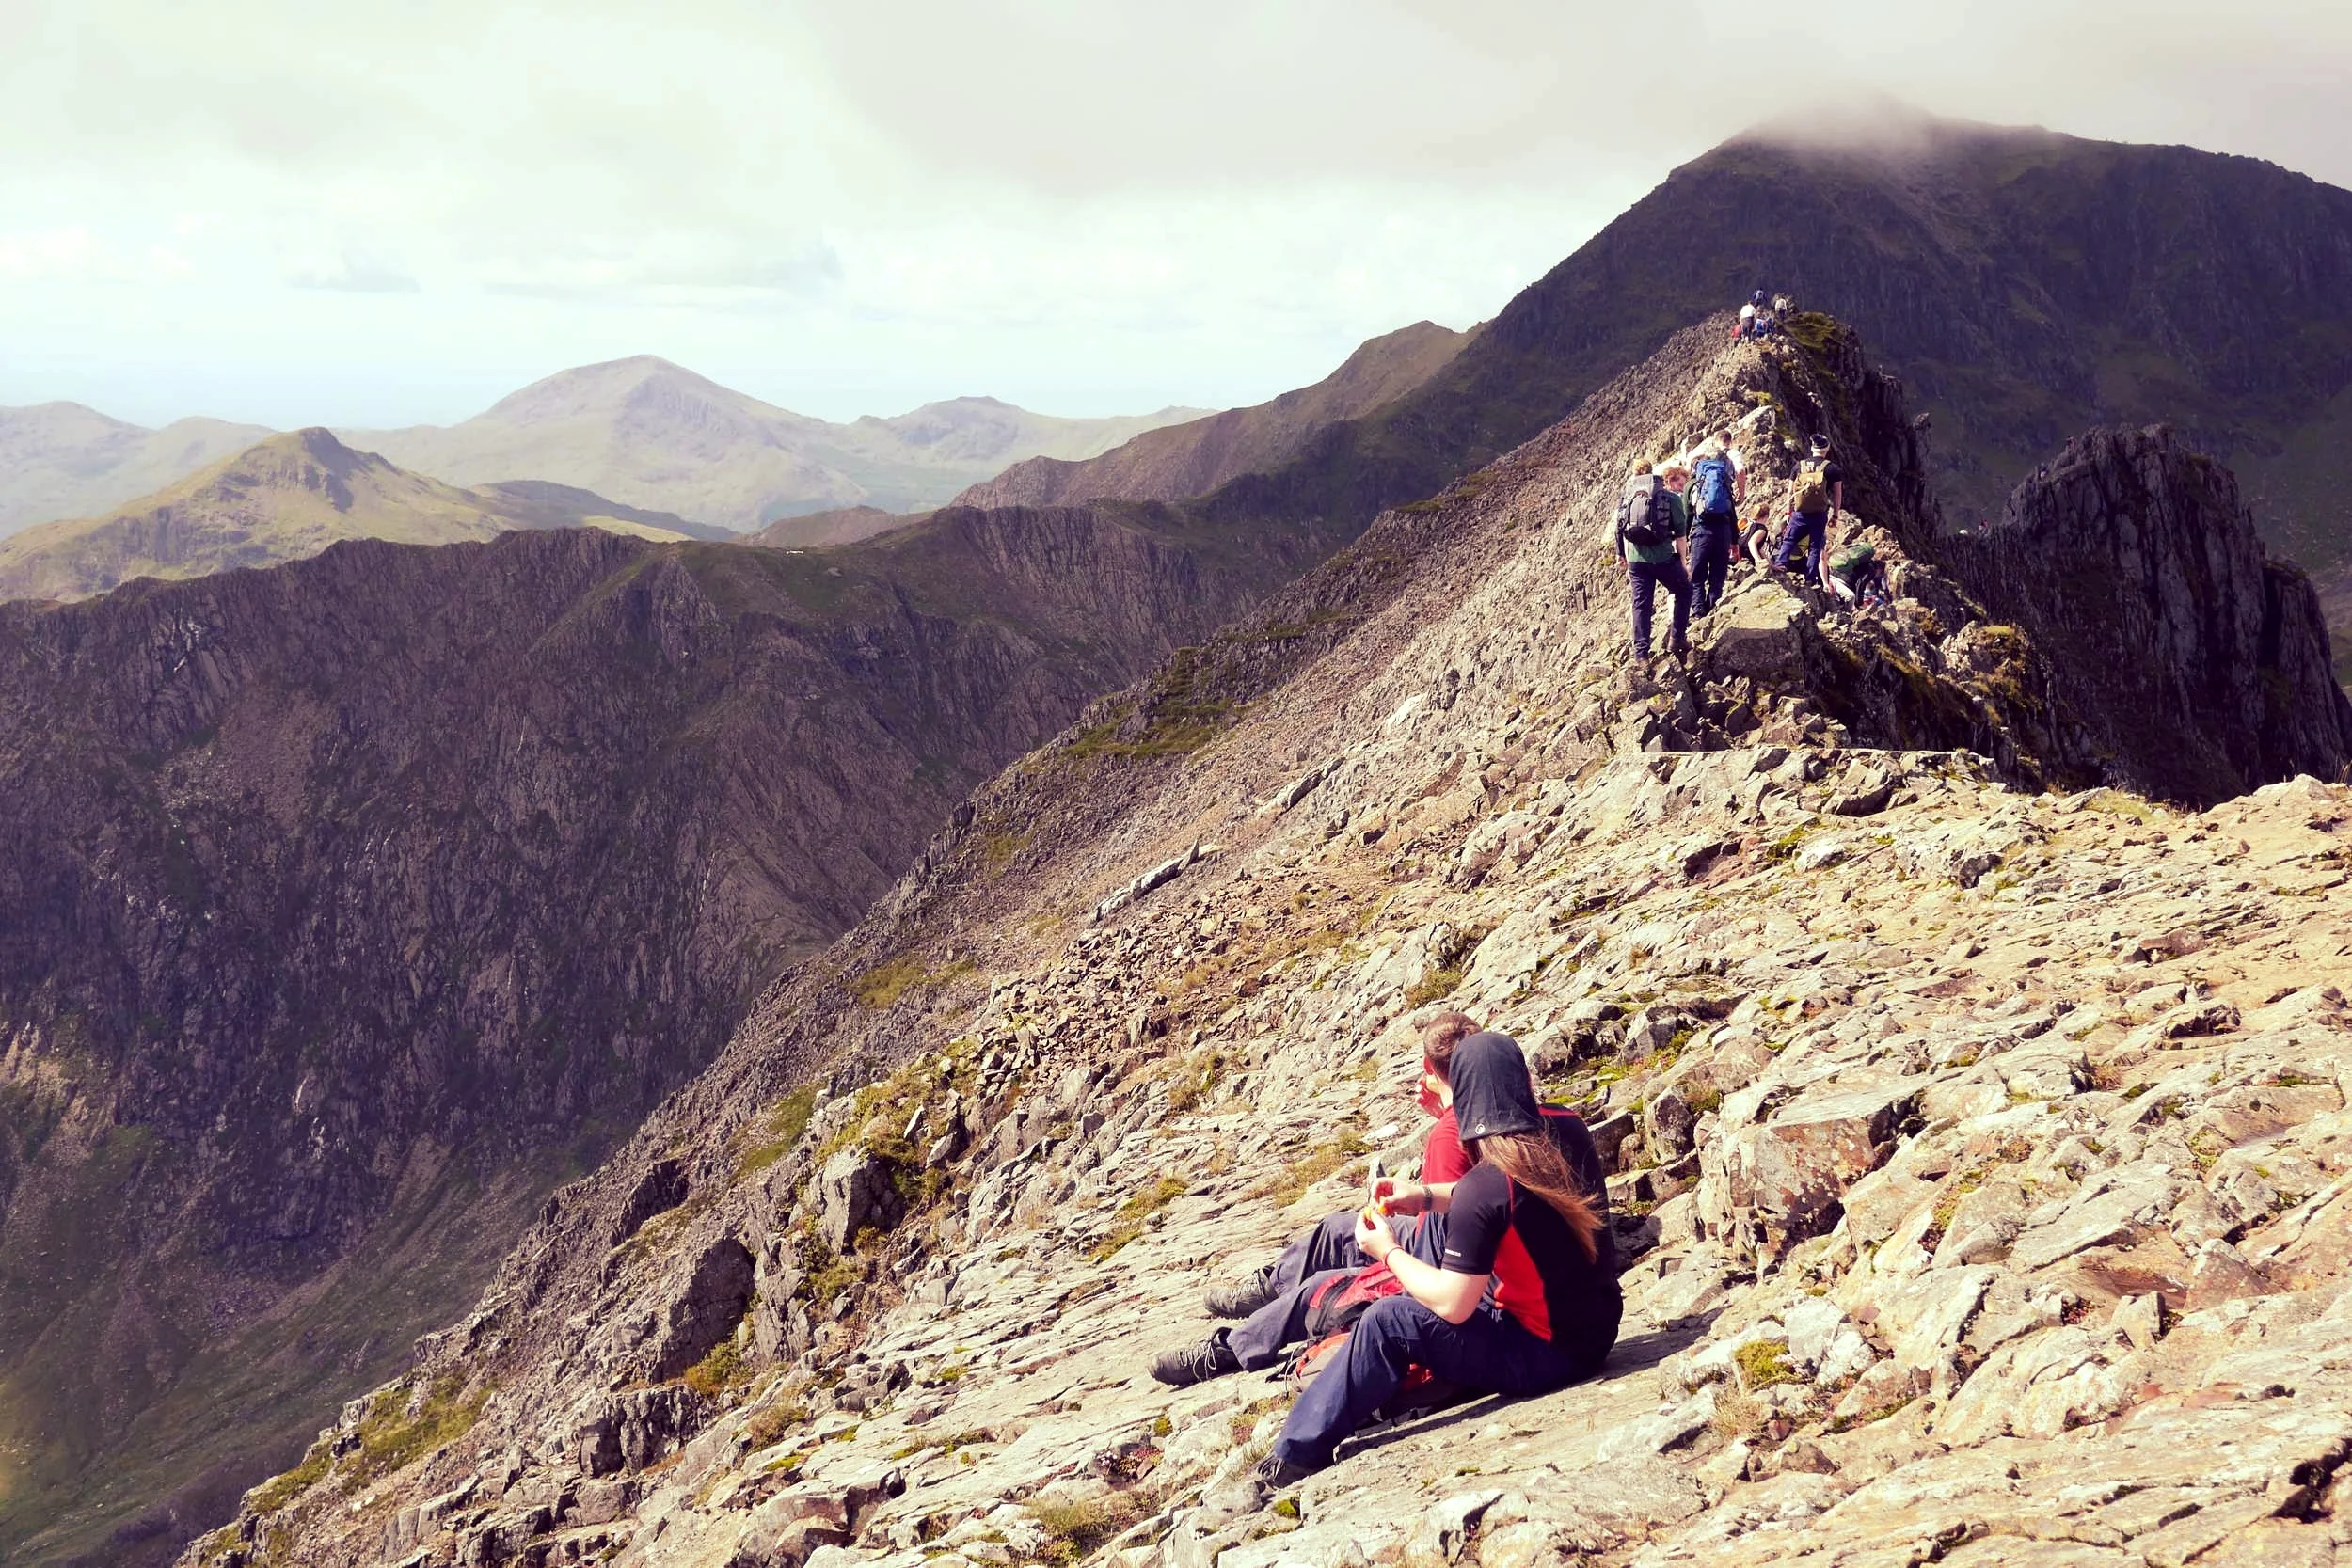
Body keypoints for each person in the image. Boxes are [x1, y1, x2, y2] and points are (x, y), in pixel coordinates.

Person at [1254, 1034, 1624, 1485]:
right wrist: (1425, 1197)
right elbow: (1511, 1200)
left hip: (1549, 1355)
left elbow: (1453, 1304)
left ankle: (1294, 1454)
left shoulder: (1483, 1188)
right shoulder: (1567, 1126)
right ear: (1523, 1081)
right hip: (1598, 1327)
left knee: (1388, 1320)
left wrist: (1386, 1252)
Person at [1159, 1021, 1612, 1387]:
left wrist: (1390, 1250)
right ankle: (1266, 1288)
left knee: (1325, 1286)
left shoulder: (1452, 1135)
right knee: (1339, 1228)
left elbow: (1463, 1230)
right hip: (1478, 1261)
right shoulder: (1532, 1121)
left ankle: (1233, 1345)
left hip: (1458, 1273)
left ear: (1433, 1073)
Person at [1615, 459, 1691, 661]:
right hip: (1663, 558)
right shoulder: (1671, 498)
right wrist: (1683, 563)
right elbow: (1681, 536)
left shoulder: (1627, 496)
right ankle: (1677, 639)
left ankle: (1641, 656)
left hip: (1636, 561)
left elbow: (1619, 526)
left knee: (1641, 605)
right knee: (1684, 591)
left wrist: (1621, 554)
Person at [1772, 434, 1845, 587]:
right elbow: (1838, 494)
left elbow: (1790, 491)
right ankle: (1810, 578)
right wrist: (1835, 515)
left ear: (1812, 448)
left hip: (1800, 512)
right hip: (1819, 514)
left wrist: (1788, 511)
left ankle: (1781, 564)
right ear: (1827, 449)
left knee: (1790, 539)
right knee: (1815, 546)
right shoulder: (1832, 468)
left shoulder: (1799, 466)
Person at [1685, 441, 1741, 616]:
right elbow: (1732, 515)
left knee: (1697, 574)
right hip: (1723, 531)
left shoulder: (1692, 484)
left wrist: (1685, 537)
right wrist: (1734, 541)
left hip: (1701, 531)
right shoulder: (1725, 484)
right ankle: (1714, 607)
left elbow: (1687, 515)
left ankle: (1698, 612)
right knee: (1718, 574)